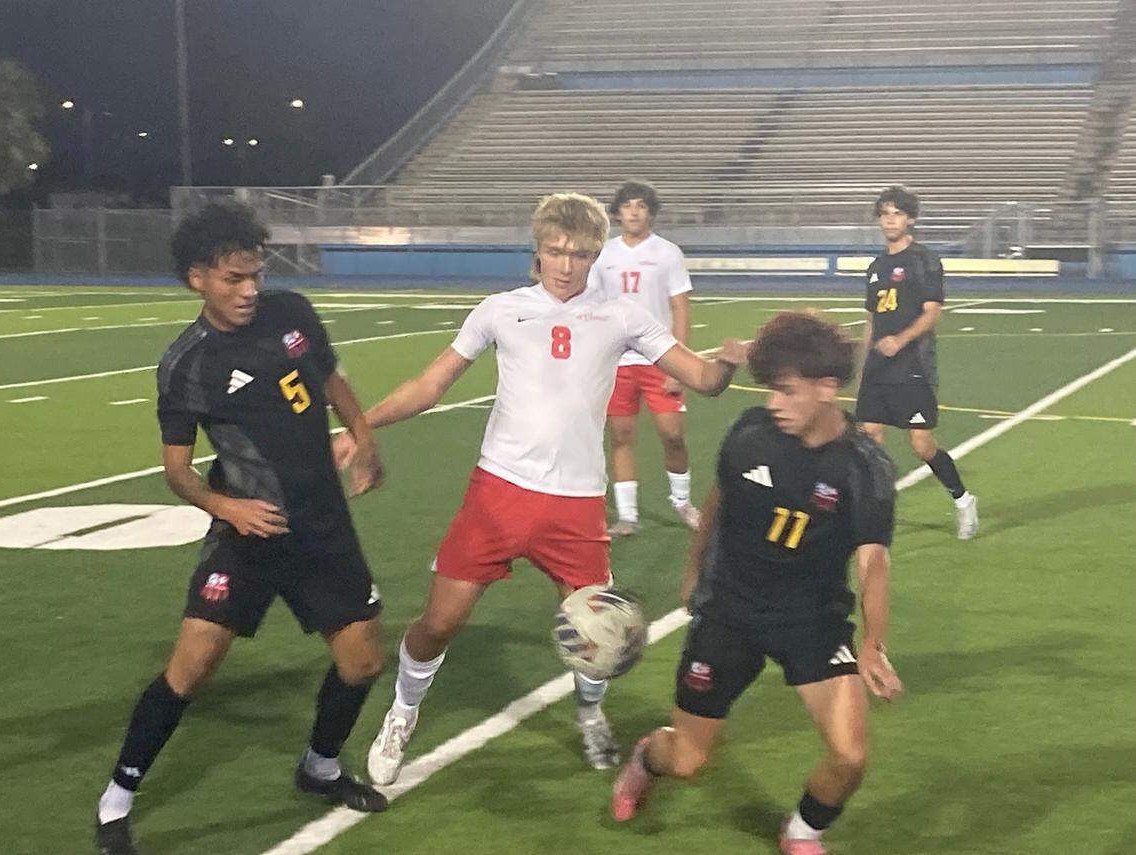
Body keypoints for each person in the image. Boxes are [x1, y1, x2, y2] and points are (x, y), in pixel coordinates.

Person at [333, 192, 748, 783]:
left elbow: (704, 379)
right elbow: (430, 386)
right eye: (556, 251)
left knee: (598, 638)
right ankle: (403, 711)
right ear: (538, 250)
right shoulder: (501, 309)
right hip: (498, 493)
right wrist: (361, 426)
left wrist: (729, 360)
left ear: (595, 256)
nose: (566, 264)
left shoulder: (622, 315)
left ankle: (589, 711)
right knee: (438, 623)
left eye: (580, 254)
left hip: (577, 506)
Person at [95, 203, 388, 855]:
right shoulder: (186, 364)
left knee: (363, 659)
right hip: (248, 532)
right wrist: (227, 509)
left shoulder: (293, 313)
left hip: (321, 526)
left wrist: (364, 439)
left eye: (254, 274)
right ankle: (116, 800)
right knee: (192, 665)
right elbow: (177, 471)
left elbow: (332, 379)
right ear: (198, 277)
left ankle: (320, 767)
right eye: (234, 278)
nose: (250, 289)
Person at [610, 311, 904, 855]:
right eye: (770, 390)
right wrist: (694, 567)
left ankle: (801, 832)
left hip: (812, 621)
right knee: (688, 760)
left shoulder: (864, 468)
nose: (774, 403)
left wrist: (870, 641)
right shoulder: (750, 433)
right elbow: (720, 501)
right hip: (730, 613)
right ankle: (647, 756)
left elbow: (873, 562)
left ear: (826, 389)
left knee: (850, 755)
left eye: (787, 392)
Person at [857, 185, 978, 539]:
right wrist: (862, 364)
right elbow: (870, 320)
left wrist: (901, 339)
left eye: (896, 214)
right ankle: (875, 511)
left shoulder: (924, 261)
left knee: (921, 445)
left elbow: (932, 314)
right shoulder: (876, 267)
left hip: (913, 366)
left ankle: (963, 500)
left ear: (910, 219)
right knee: (869, 439)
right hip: (877, 370)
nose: (890, 220)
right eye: (884, 214)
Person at [588, 180, 699, 535]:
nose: (634, 211)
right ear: (617, 212)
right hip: (616, 359)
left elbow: (679, 307)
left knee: (672, 434)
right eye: (628, 205)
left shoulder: (668, 252)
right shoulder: (602, 253)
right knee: (620, 435)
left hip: (658, 358)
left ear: (650, 211)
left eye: (641, 205)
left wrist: (678, 363)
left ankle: (681, 501)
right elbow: (590, 306)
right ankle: (628, 515)